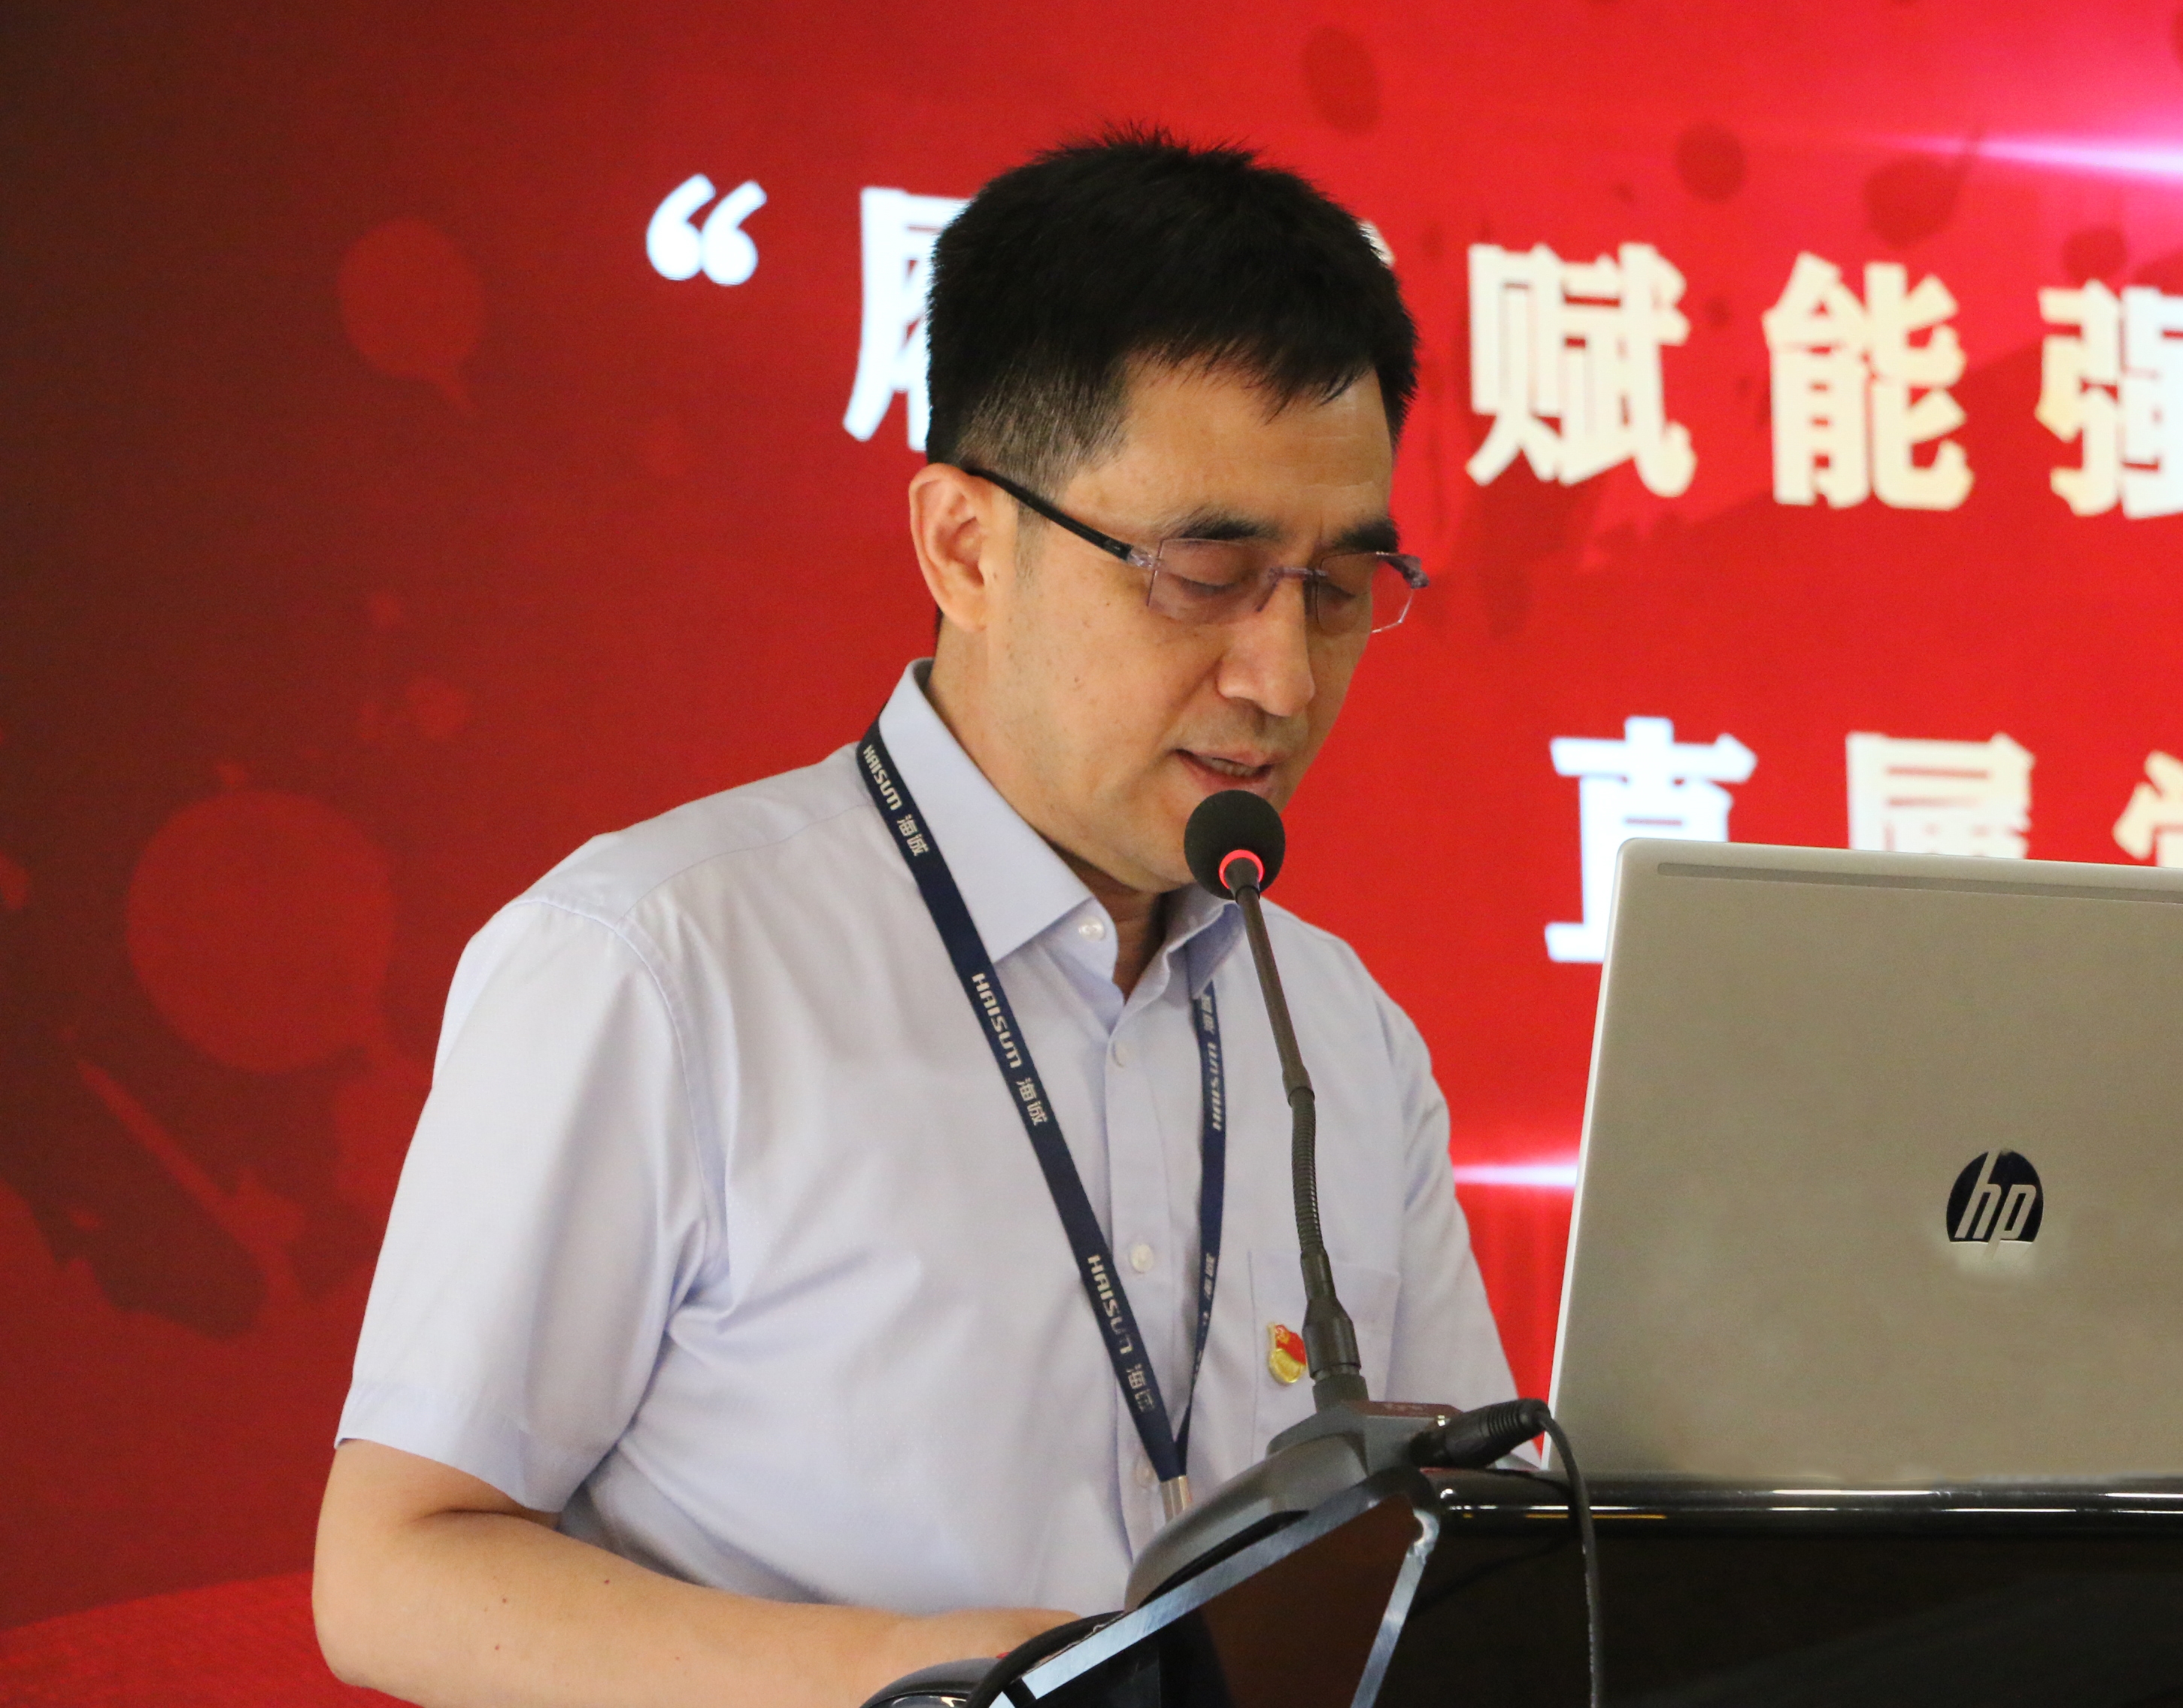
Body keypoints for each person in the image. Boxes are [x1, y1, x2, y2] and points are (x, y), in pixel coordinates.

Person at [313, 132, 1514, 1708]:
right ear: (964, 546)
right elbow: (394, 1571)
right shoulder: (655, 965)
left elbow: (1474, 1555)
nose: (1281, 678)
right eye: (1205, 573)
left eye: (1340, 589)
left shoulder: (1342, 1033)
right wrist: (934, 1683)